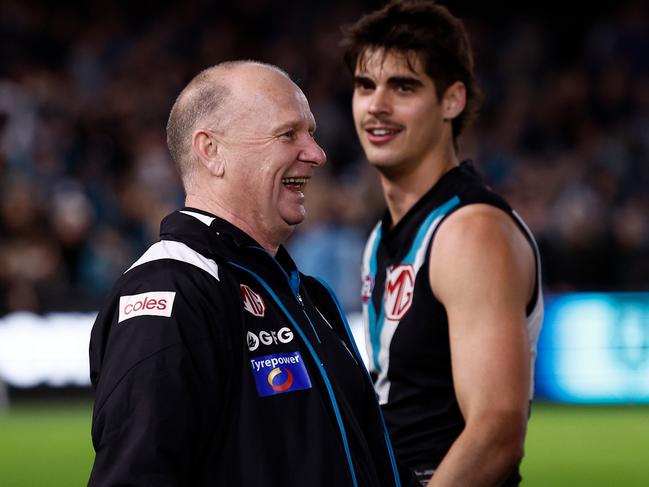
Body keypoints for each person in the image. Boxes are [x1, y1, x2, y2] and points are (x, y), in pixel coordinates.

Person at [87, 61, 405, 487]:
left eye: (310, 133)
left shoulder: (308, 295)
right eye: (288, 134)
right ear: (211, 150)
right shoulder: (172, 289)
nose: (317, 153)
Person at [341, 2, 544, 486]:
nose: (377, 105)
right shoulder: (384, 233)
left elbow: (495, 432)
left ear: (451, 101)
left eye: (403, 87)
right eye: (365, 86)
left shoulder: (471, 231)